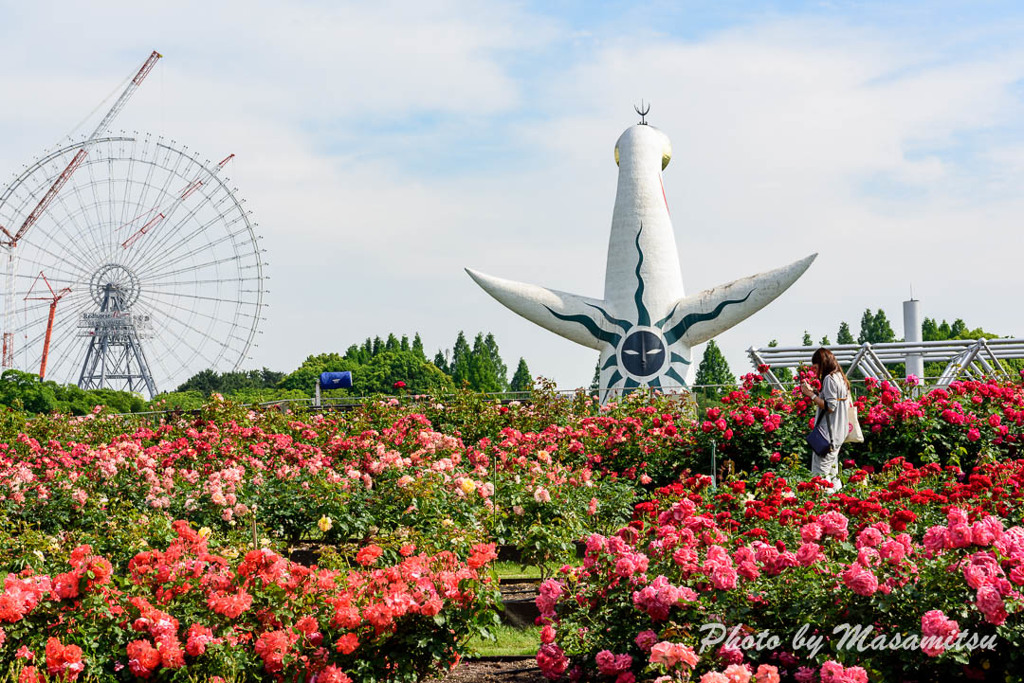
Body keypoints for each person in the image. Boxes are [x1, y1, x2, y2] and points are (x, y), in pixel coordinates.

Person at [799, 347, 850, 492]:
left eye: (816, 367)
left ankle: (824, 505)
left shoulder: (829, 378)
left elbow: (830, 406)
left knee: (820, 473)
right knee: (833, 473)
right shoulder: (840, 377)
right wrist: (816, 392)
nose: (815, 371)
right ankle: (838, 501)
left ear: (823, 363)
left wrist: (810, 395)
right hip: (838, 432)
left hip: (828, 434)